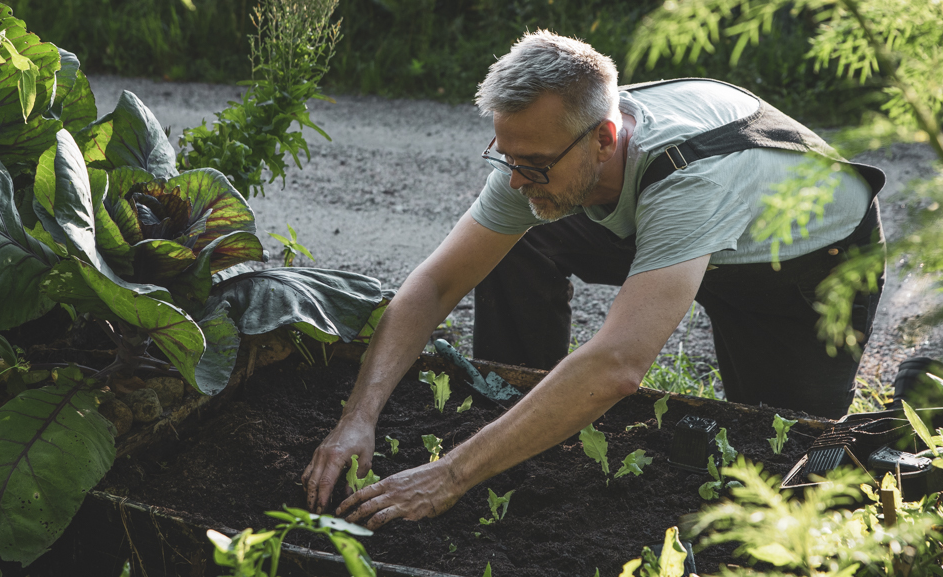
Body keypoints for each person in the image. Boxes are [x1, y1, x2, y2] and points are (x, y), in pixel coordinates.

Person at [301, 29, 886, 529]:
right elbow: (435, 284)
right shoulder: (549, 147)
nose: (514, 181)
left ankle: (919, 410)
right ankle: (511, 428)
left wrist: (448, 475)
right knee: (525, 235)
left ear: (604, 139)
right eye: (506, 157)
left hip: (802, 262)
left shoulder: (688, 177)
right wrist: (358, 417)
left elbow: (617, 366)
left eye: (531, 165)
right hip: (663, 215)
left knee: (785, 452)